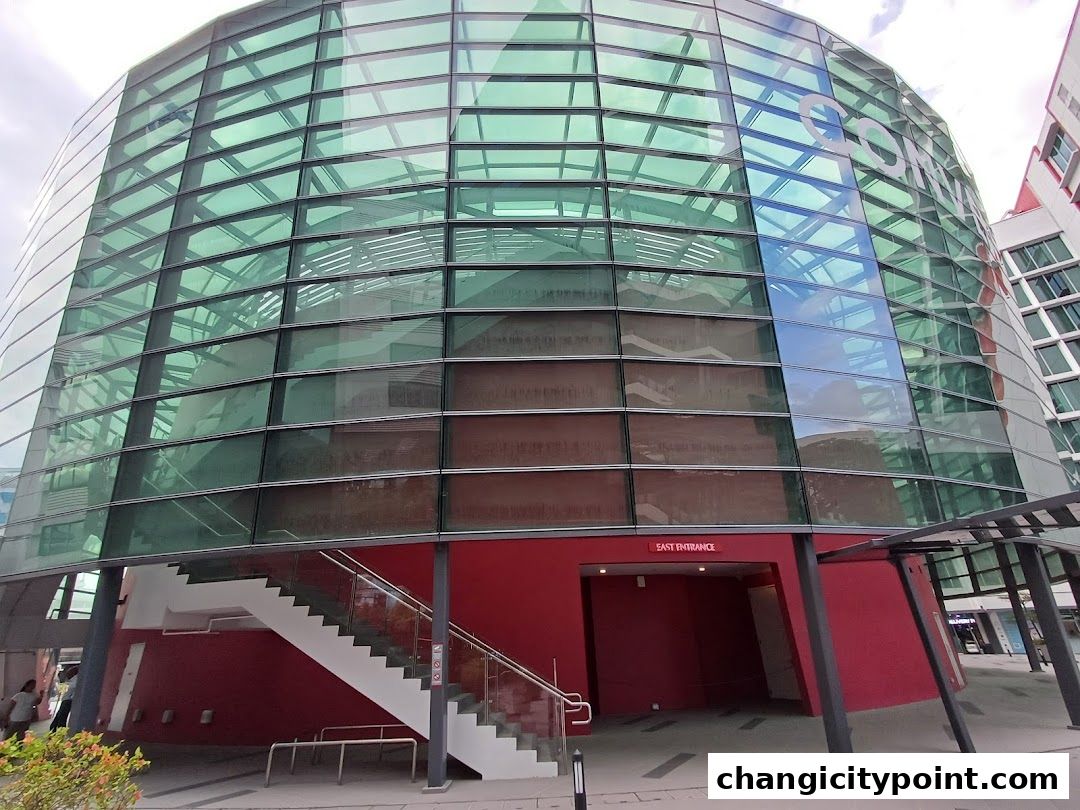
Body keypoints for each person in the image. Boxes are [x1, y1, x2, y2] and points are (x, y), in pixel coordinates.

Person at [49, 665, 78, 732]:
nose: (67, 674)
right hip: (66, 700)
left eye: (69, 672)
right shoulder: (71, 680)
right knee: (59, 716)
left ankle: (59, 731)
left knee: (62, 717)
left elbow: (71, 688)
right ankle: (53, 729)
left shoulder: (75, 680)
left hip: (68, 700)